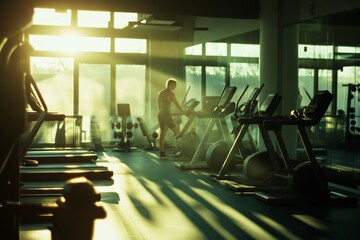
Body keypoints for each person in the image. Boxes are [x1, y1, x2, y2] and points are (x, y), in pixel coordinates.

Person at [157, 78, 185, 158]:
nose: (175, 87)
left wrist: (163, 111)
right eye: (174, 85)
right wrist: (182, 110)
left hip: (161, 114)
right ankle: (181, 150)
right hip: (165, 114)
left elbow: (158, 103)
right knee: (176, 131)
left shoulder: (161, 92)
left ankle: (162, 152)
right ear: (170, 84)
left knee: (163, 133)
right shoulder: (171, 93)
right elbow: (176, 103)